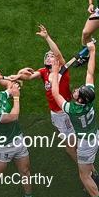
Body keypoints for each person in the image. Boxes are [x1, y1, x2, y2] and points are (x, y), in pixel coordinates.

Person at [12, 25, 87, 163]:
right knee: (70, 138)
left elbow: (58, 54)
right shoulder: (43, 72)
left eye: (52, 56)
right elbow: (28, 77)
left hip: (63, 112)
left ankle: (85, 168)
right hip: (55, 113)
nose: (49, 56)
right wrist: (18, 74)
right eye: (48, 55)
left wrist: (47, 37)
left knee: (70, 147)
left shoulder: (62, 70)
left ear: (57, 61)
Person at [51, 41, 99, 197]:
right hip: (94, 135)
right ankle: (95, 174)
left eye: (77, 92)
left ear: (80, 100)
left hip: (86, 143)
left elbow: (55, 94)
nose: (76, 90)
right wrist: (92, 51)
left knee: (83, 176)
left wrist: (54, 73)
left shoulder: (73, 109)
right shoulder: (88, 99)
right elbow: (90, 73)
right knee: (87, 165)